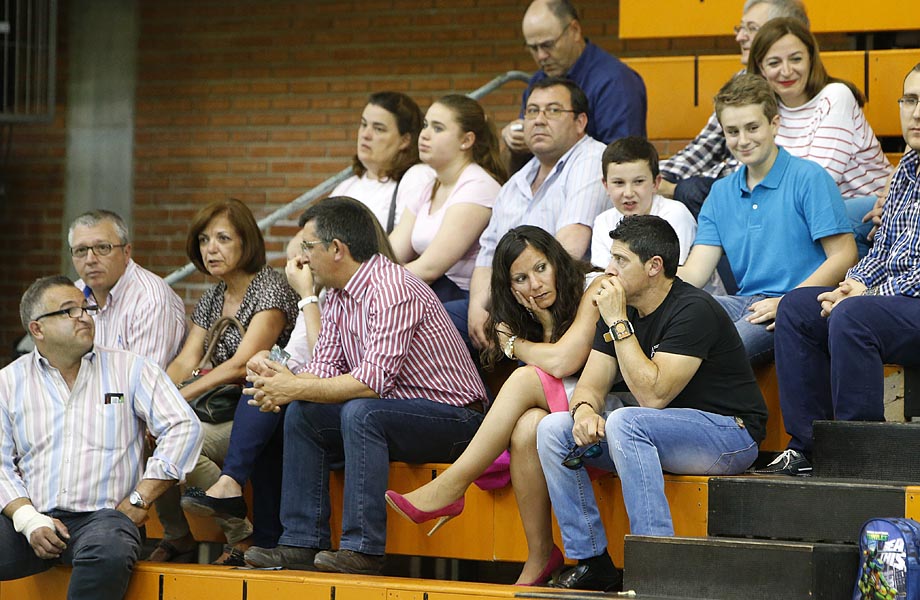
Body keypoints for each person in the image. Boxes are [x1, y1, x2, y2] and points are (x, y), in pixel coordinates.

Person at [240, 197, 487, 576]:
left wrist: (293, 388)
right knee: (305, 414)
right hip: (397, 412)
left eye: (308, 246)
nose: (301, 259)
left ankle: (363, 549)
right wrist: (280, 382)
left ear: (337, 249)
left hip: (457, 420)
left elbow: (371, 382)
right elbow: (323, 368)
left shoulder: (392, 288)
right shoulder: (339, 294)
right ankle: (300, 542)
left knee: (360, 411)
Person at [536, 215, 768, 592]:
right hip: (660, 435)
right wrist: (583, 413)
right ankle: (593, 561)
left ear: (654, 266)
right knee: (552, 429)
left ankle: (658, 561)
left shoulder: (693, 310)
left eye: (620, 260)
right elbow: (590, 386)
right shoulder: (622, 308)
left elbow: (653, 396)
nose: (608, 270)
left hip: (729, 434)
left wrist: (616, 322)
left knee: (628, 421)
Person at [180, 199, 401, 562]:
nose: (299, 266)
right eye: (295, 260)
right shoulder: (338, 296)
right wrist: (277, 374)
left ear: (335, 250)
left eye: (304, 255)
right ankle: (280, 538)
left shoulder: (372, 289)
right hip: (344, 396)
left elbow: (355, 374)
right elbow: (315, 361)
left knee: (290, 403)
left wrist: (307, 297)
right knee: (272, 388)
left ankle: (251, 518)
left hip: (393, 404)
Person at [386, 226, 606, 586]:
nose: (534, 284)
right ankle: (540, 554)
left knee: (522, 379)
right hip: (564, 422)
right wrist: (544, 330)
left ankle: (453, 485)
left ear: (557, 261)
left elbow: (563, 361)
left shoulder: (595, 285)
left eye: (540, 268)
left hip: (605, 408)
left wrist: (515, 346)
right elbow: (553, 363)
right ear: (510, 288)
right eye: (521, 278)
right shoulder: (525, 315)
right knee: (527, 426)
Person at [757, 63, 920, 476]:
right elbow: (884, 249)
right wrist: (853, 283)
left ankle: (858, 451)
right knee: (796, 307)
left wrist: (866, 297)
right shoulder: (905, 170)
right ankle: (808, 445)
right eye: (911, 101)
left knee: (853, 316)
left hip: (909, 303)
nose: (916, 113)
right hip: (893, 305)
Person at [0, 276, 202, 600]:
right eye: (69, 311)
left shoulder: (131, 369)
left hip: (106, 520)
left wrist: (141, 497)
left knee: (109, 548)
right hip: (32, 519)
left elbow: (183, 427)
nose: (84, 316)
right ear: (37, 329)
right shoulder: (9, 382)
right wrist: (28, 519)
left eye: (85, 307)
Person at [149, 198, 299, 565]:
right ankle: (177, 534)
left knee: (185, 442)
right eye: (203, 240)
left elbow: (240, 365)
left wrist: (180, 398)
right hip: (220, 408)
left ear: (246, 242)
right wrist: (155, 399)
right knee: (152, 432)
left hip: (262, 410)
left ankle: (241, 534)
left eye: (222, 239)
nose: (210, 249)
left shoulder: (271, 289)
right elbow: (187, 358)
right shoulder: (214, 295)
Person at [677, 73, 857, 364]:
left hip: (801, 303)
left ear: (774, 124)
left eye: (752, 128)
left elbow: (844, 254)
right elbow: (696, 272)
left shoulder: (809, 177)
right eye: (732, 131)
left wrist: (788, 302)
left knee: (721, 351)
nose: (743, 140)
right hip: (744, 303)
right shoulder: (720, 192)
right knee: (679, 325)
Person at [447, 77, 609, 351]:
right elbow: (488, 253)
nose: (539, 119)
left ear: (580, 122)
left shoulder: (591, 160)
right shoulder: (517, 181)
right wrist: (477, 306)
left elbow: (570, 245)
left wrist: (515, 300)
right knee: (437, 319)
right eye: (532, 111)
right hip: (515, 298)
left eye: (553, 110)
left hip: (563, 299)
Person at [749, 17, 893, 257]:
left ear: (811, 59)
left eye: (796, 59)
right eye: (774, 62)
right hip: (808, 215)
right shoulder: (767, 112)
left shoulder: (836, 96)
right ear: (761, 68)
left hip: (869, 209)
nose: (786, 71)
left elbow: (820, 180)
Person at [659, 0, 810, 218]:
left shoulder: (798, 89)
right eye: (740, 28)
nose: (740, 37)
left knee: (694, 192)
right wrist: (656, 179)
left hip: (782, 208)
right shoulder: (742, 80)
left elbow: (751, 167)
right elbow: (704, 148)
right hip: (738, 198)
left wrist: (677, 188)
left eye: (751, 28)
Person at [501, 0, 646, 172]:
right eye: (533, 48)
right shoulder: (538, 82)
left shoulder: (615, 82)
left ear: (574, 31)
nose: (541, 56)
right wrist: (515, 139)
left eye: (548, 45)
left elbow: (624, 161)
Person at [389, 95, 506, 303]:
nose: (424, 135)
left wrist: (376, 285)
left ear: (466, 140)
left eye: (438, 128)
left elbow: (430, 268)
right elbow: (390, 252)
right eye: (425, 125)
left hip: (469, 301)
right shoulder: (428, 186)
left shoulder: (478, 186)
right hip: (434, 293)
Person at [69, 209, 186, 369]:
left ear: (126, 252)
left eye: (103, 248)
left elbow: (141, 385)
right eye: (81, 250)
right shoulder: (72, 295)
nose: (90, 260)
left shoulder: (150, 299)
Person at [331, 91, 435, 231]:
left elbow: (402, 246)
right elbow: (304, 239)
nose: (365, 134)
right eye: (363, 124)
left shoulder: (416, 178)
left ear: (404, 140)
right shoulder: (346, 187)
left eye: (378, 129)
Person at [590, 137, 696, 269]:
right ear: (605, 186)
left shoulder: (675, 214)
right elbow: (600, 275)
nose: (628, 193)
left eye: (638, 182)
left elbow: (669, 277)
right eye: (618, 183)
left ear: (656, 183)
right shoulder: (603, 221)